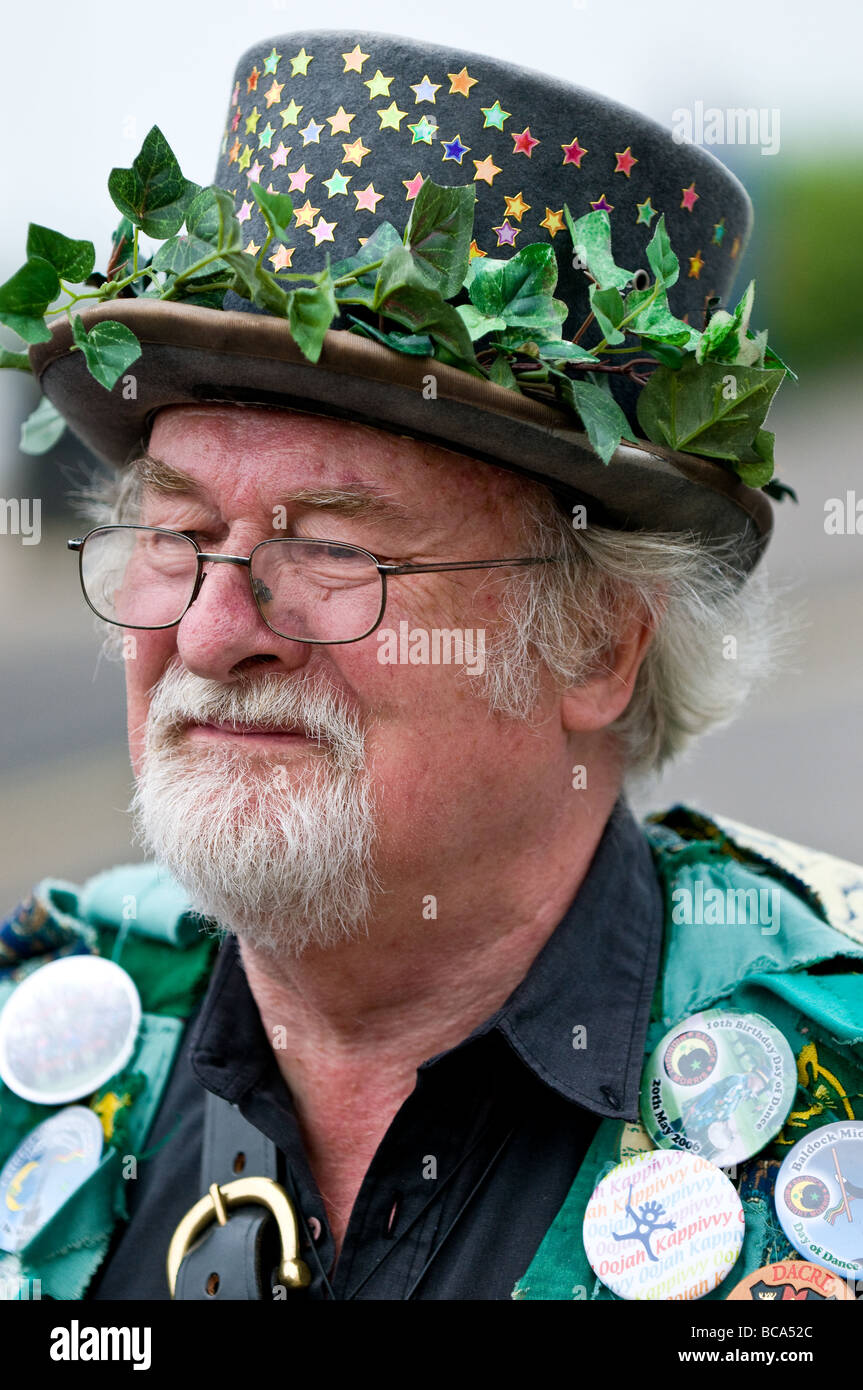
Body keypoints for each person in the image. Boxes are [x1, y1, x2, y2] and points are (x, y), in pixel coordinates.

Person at [3, 29, 862, 1303]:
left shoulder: (825, 1096)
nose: (208, 631)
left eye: (335, 550)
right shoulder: (39, 1039)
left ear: (597, 644)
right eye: (177, 535)